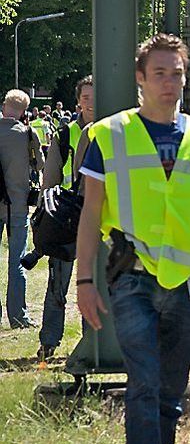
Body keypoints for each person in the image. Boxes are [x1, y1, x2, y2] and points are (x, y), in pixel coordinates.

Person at [76, 35, 190, 444]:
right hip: (131, 277)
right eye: (160, 74)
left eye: (177, 74)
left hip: (185, 280)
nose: (170, 84)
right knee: (144, 383)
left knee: (171, 391)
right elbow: (91, 213)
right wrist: (84, 282)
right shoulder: (110, 133)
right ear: (139, 79)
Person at [37, 75, 94, 360]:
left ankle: (91, 340)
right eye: (86, 98)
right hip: (66, 217)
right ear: (78, 101)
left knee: (93, 283)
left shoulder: (109, 131)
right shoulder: (66, 133)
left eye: (95, 98)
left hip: (94, 217)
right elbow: (51, 176)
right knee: (57, 283)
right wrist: (45, 212)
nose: (91, 103)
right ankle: (49, 341)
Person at [0, 90, 44, 329]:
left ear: (4, 105)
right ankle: (18, 316)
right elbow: (41, 165)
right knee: (16, 261)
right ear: (24, 111)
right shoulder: (27, 133)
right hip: (17, 205)